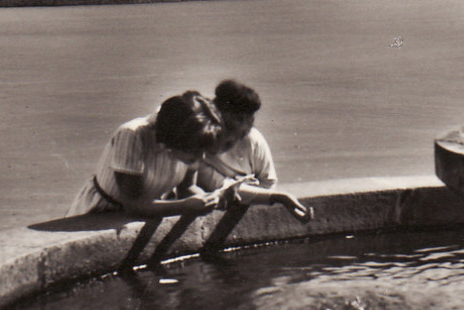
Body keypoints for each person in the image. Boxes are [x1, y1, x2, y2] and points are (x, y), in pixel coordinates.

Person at [65, 91, 225, 217]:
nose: (201, 157)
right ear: (175, 140)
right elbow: (133, 204)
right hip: (102, 212)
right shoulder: (132, 134)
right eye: (196, 151)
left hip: (151, 210)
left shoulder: (193, 141)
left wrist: (210, 199)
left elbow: (188, 188)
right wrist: (183, 206)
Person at [198, 79, 310, 221]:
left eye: (249, 119)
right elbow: (219, 186)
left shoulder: (252, 139)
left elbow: (268, 182)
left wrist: (245, 189)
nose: (247, 124)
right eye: (239, 119)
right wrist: (274, 196)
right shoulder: (199, 146)